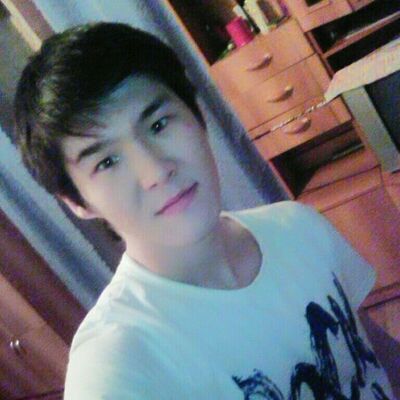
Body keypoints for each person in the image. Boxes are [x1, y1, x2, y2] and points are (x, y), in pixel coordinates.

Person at [13, 22, 394, 400]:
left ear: (197, 115)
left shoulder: (298, 226)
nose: (155, 172)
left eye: (158, 124)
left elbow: (376, 354)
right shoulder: (117, 364)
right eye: (107, 162)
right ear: (78, 202)